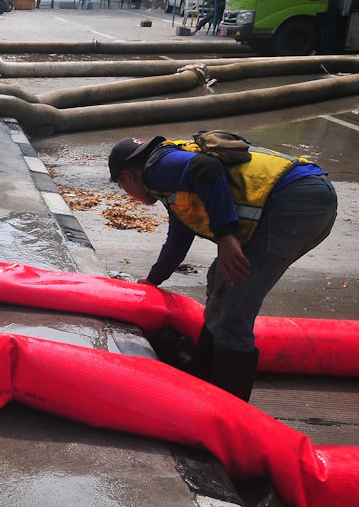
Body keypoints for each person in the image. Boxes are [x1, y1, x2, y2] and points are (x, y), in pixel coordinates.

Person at [108, 135, 337, 401]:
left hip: (296, 200)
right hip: (311, 196)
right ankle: (202, 378)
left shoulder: (157, 167)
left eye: (122, 186)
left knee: (233, 315)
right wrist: (152, 280)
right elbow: (178, 241)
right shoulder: (172, 185)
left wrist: (226, 237)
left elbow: (208, 169)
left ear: (127, 176)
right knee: (220, 279)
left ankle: (229, 417)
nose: (128, 194)